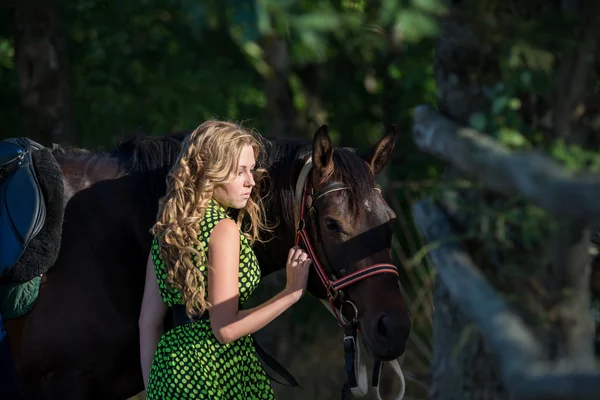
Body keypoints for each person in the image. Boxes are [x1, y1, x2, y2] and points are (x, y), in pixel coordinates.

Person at [138, 120, 312, 399]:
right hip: (214, 374)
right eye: (240, 171)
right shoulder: (223, 230)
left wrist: (154, 390)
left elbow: (148, 323)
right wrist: (291, 293)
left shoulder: (169, 231)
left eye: (252, 169)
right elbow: (225, 329)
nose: (251, 181)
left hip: (168, 372)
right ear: (210, 171)